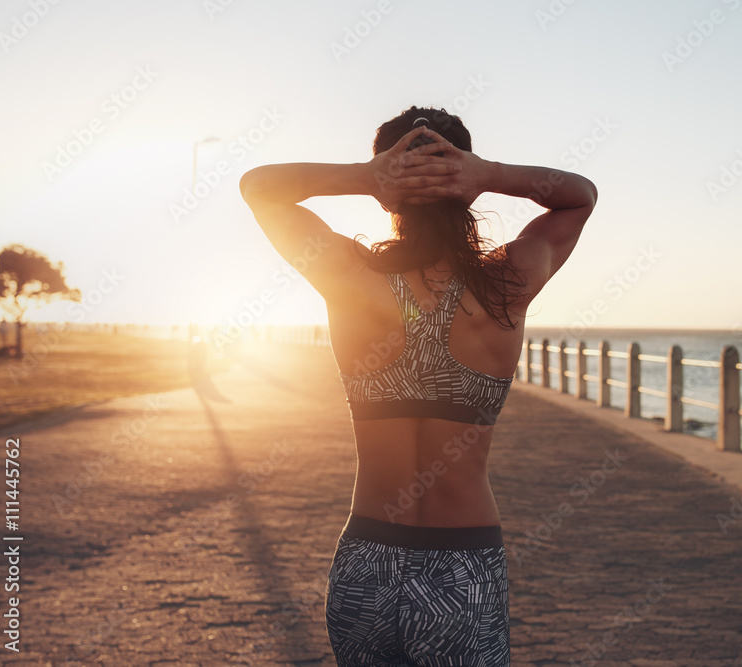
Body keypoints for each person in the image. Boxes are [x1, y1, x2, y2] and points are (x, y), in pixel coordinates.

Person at [240, 106, 597, 666]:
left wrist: (364, 177)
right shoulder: (509, 282)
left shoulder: (348, 275)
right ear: (468, 182)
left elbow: (259, 186)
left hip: (367, 561)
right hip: (462, 566)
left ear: (390, 190)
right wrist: (490, 174)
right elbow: (579, 195)